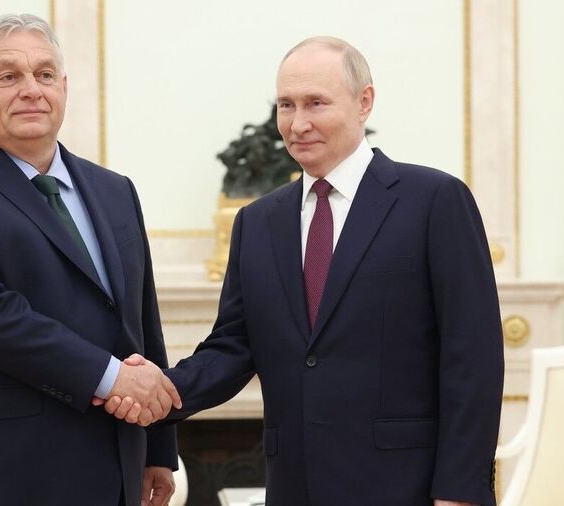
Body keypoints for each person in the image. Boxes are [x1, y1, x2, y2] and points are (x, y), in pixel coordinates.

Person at [101, 37, 504, 506]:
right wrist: (161, 389)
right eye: (286, 106)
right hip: (296, 486)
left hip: (406, 487)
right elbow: (233, 347)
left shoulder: (435, 201)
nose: (298, 123)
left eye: (316, 103)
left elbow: (473, 358)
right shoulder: (256, 223)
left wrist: (461, 492)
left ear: (364, 101)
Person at [0, 14, 180, 506]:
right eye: (8, 76)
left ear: (64, 88)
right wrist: (116, 378)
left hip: (112, 467)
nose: (31, 89)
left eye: (45, 74)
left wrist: (158, 444)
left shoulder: (115, 192)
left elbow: (140, 321)